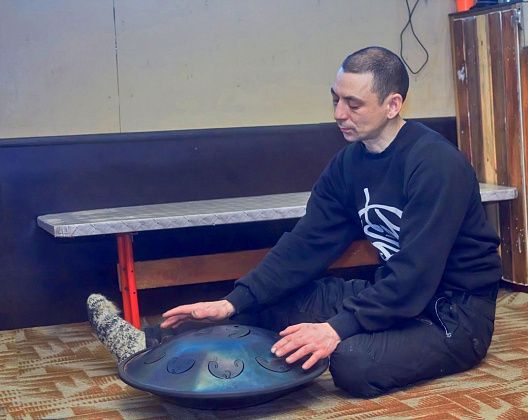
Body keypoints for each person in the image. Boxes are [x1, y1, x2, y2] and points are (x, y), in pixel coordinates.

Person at [88, 46, 501, 398]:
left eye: (353, 104)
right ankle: (148, 344)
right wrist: (234, 301)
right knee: (273, 301)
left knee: (352, 362)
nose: (339, 113)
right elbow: (305, 245)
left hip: (452, 315)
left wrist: (336, 329)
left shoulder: (435, 165)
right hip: (395, 293)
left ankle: (343, 343)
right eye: (335, 99)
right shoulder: (348, 164)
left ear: (393, 105)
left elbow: (415, 277)